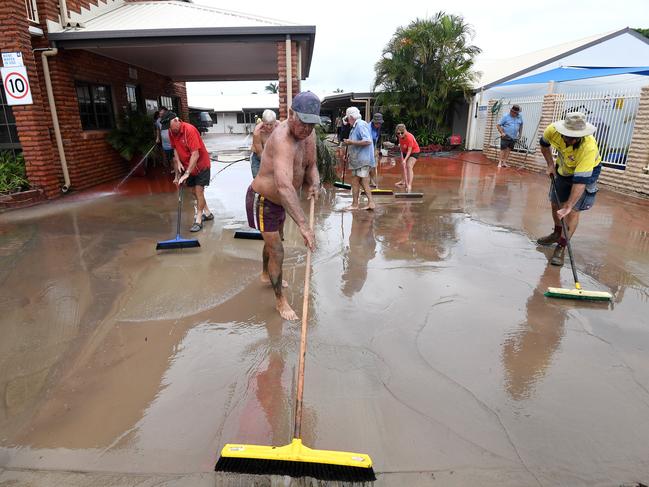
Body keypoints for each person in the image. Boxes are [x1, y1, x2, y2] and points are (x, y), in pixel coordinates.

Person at [246, 91, 320, 320]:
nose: (306, 129)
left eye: (311, 124)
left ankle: (265, 274)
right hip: (264, 201)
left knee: (273, 242)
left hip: (281, 205)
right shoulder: (281, 140)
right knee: (277, 249)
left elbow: (311, 166)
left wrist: (315, 183)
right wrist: (304, 226)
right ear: (290, 114)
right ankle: (280, 301)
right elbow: (284, 187)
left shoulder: (309, 134)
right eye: (303, 123)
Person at [536, 112, 601, 266]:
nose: (571, 140)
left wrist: (569, 205)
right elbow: (544, 145)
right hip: (564, 168)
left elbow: (580, 182)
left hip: (586, 173)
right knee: (555, 204)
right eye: (568, 136)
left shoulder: (588, 148)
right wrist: (550, 165)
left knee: (571, 211)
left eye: (575, 138)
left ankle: (562, 245)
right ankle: (557, 233)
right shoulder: (552, 130)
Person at [161, 111, 214, 232]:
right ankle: (208, 213)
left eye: (169, 126)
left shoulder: (189, 130)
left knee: (198, 191)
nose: (169, 130)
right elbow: (174, 148)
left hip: (201, 166)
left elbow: (195, 154)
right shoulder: (171, 131)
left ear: (176, 120)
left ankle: (199, 219)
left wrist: (186, 173)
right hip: (186, 165)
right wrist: (178, 162)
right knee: (193, 192)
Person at [343, 106, 375, 211]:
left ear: (351, 117)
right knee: (359, 181)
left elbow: (368, 141)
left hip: (363, 160)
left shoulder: (361, 125)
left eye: (348, 119)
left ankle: (359, 204)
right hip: (358, 160)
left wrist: (351, 142)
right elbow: (354, 143)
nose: (347, 122)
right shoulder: (355, 126)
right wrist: (348, 154)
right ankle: (364, 203)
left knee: (359, 181)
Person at [250, 109, 280, 178]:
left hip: (273, 155)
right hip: (257, 157)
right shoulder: (257, 132)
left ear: (275, 122)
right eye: (266, 124)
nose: (269, 127)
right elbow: (260, 154)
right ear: (263, 121)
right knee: (258, 178)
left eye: (271, 125)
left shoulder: (280, 127)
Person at [395, 123, 420, 192]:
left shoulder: (409, 137)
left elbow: (410, 151)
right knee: (403, 166)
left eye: (402, 133)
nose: (400, 135)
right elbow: (402, 146)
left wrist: (405, 160)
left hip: (414, 151)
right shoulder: (400, 136)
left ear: (405, 130)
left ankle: (409, 184)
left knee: (409, 166)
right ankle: (403, 181)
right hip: (405, 151)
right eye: (398, 133)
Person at [157, 106, 174, 171]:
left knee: (174, 157)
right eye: (160, 113)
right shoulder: (158, 121)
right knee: (169, 157)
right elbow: (158, 130)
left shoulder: (170, 119)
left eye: (162, 113)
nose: (160, 114)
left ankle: (176, 170)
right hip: (165, 142)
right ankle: (173, 168)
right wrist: (158, 138)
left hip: (172, 141)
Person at [369, 113, 383, 187]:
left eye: (380, 123)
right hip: (367, 147)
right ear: (373, 122)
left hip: (374, 146)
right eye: (377, 123)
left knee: (373, 165)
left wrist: (377, 149)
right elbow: (367, 140)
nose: (379, 124)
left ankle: (371, 180)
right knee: (367, 165)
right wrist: (372, 150)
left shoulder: (379, 127)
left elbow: (379, 138)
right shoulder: (368, 128)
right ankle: (366, 181)